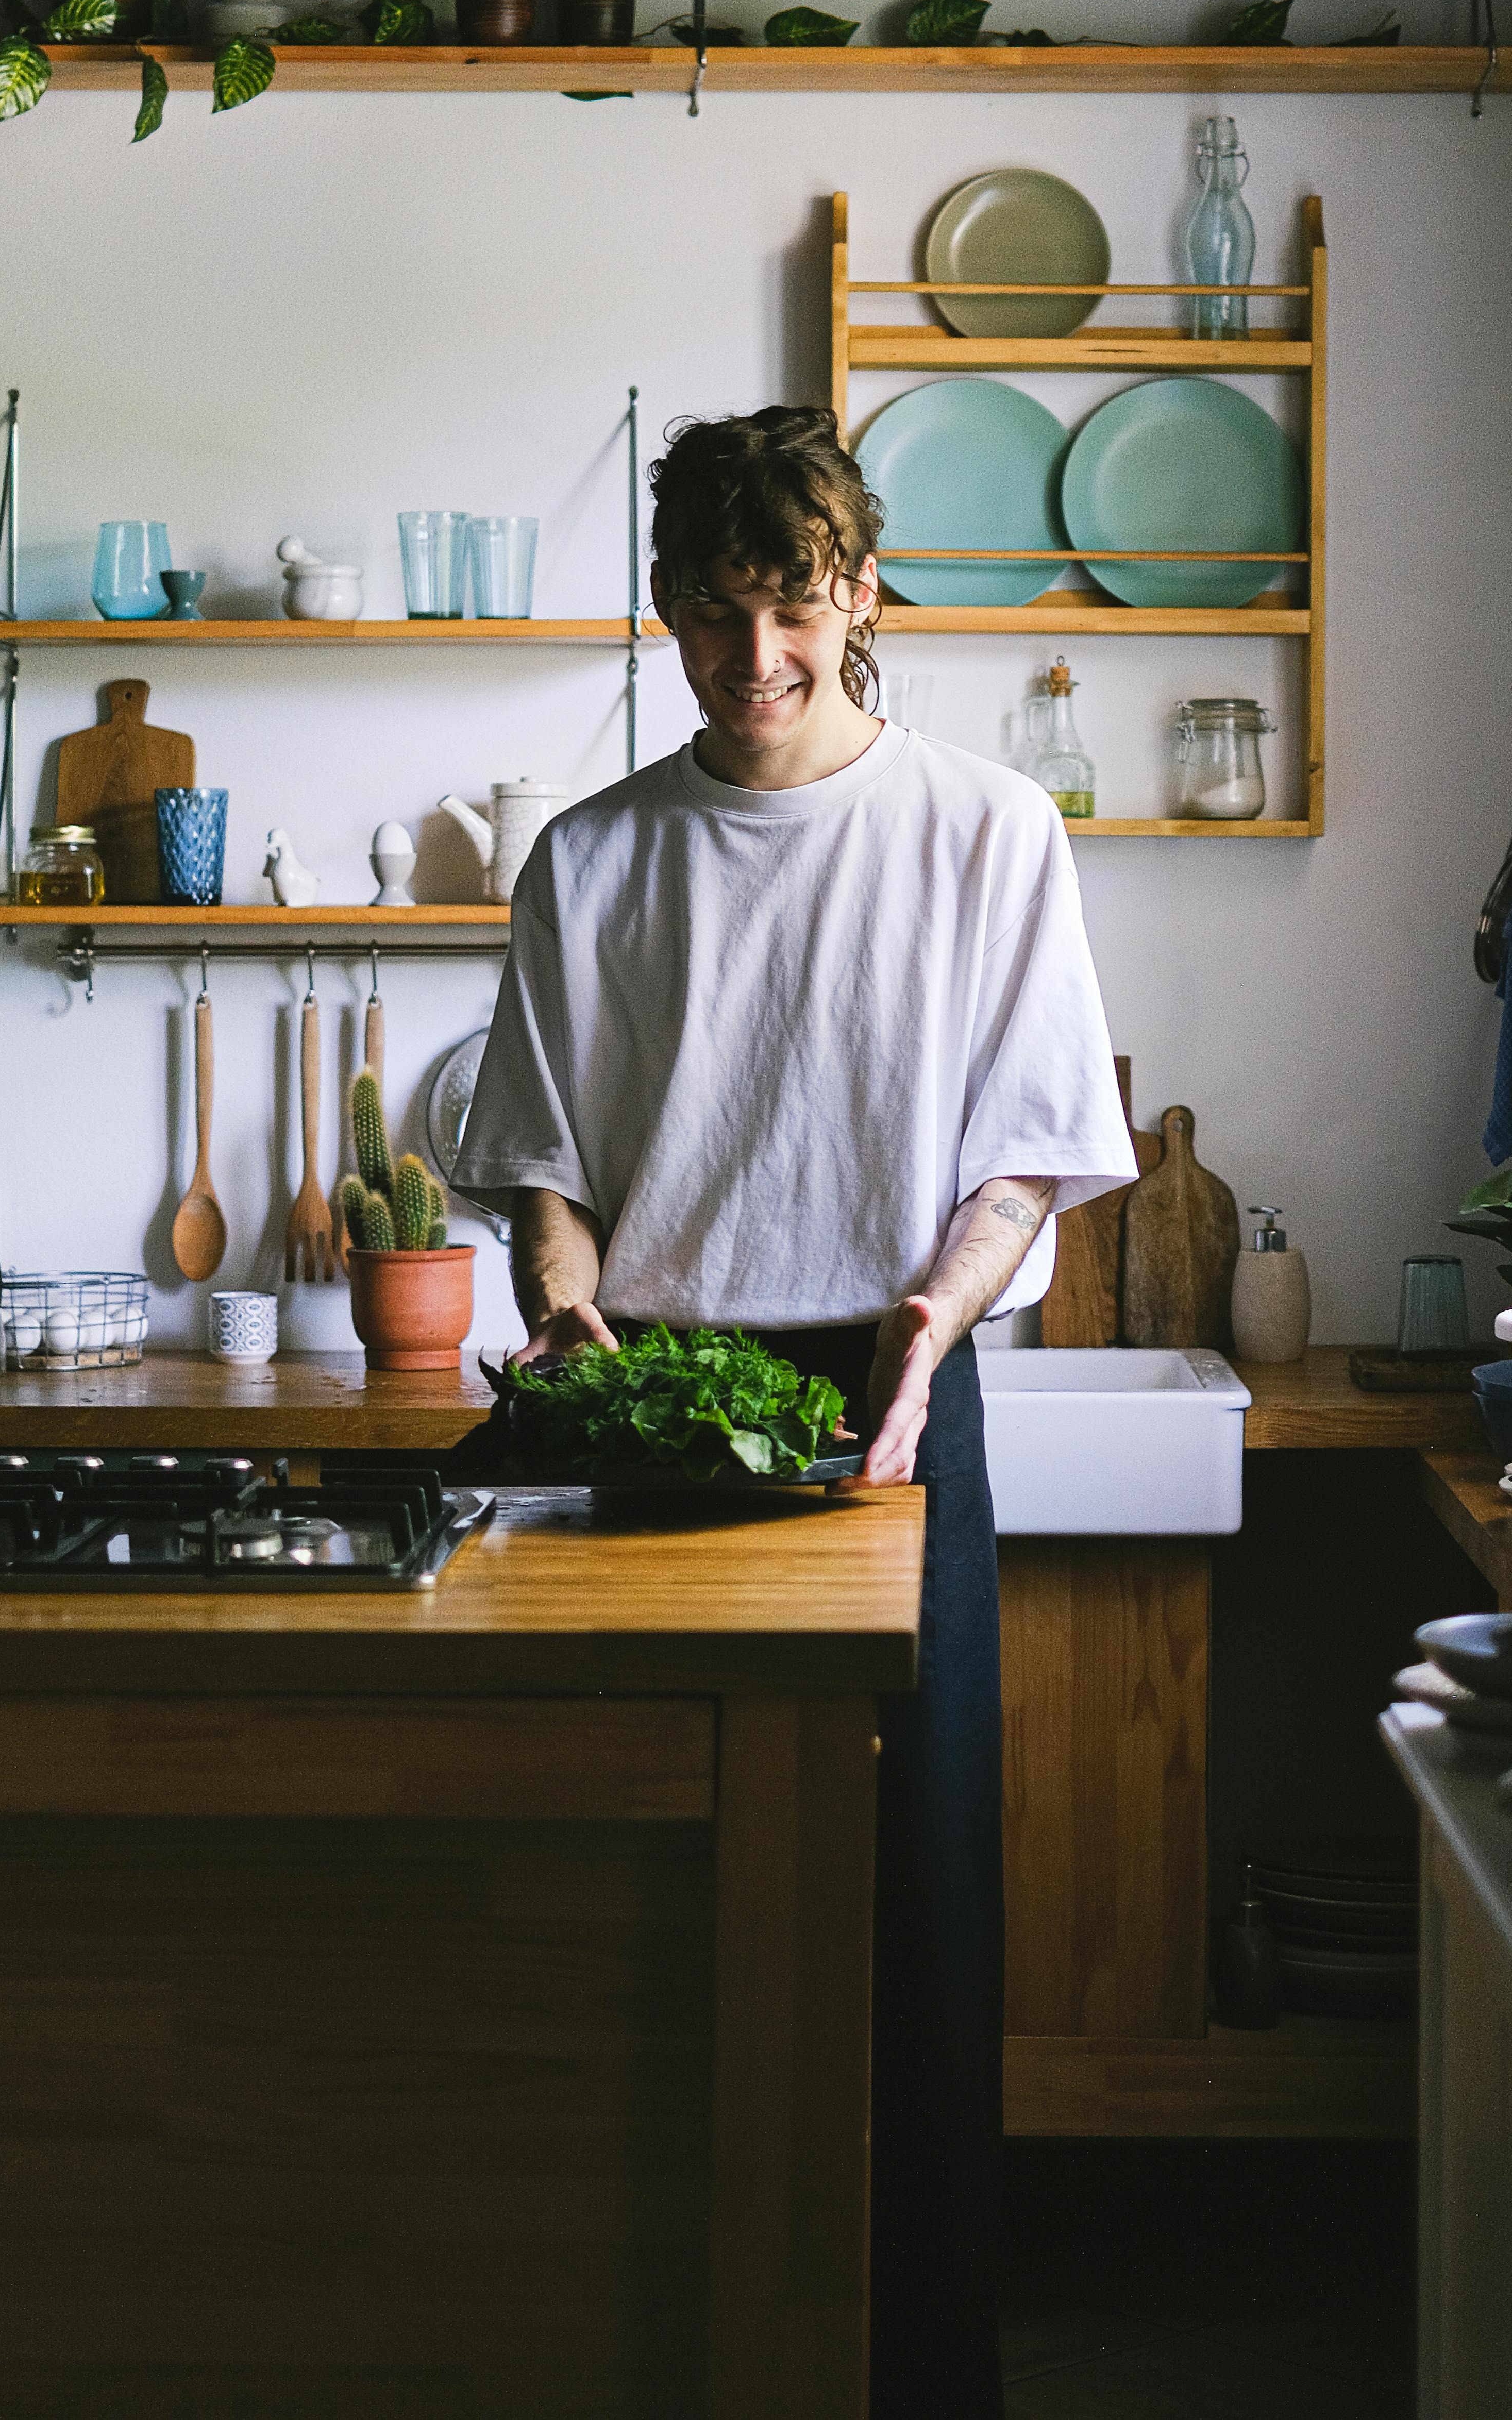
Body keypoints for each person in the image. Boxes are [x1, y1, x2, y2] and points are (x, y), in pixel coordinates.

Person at [454, 404, 1137, 2418]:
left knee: (912, 1920)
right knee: (654, 1905)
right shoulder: (592, 861)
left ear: (857, 592)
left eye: (797, 604)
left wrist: (937, 1317)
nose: (762, 659)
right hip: (655, 1406)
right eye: (720, 611)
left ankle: (921, 2374)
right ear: (664, 607)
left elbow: (1023, 1159)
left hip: (894, 1390)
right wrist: (565, 1312)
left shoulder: (984, 828)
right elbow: (546, 1166)